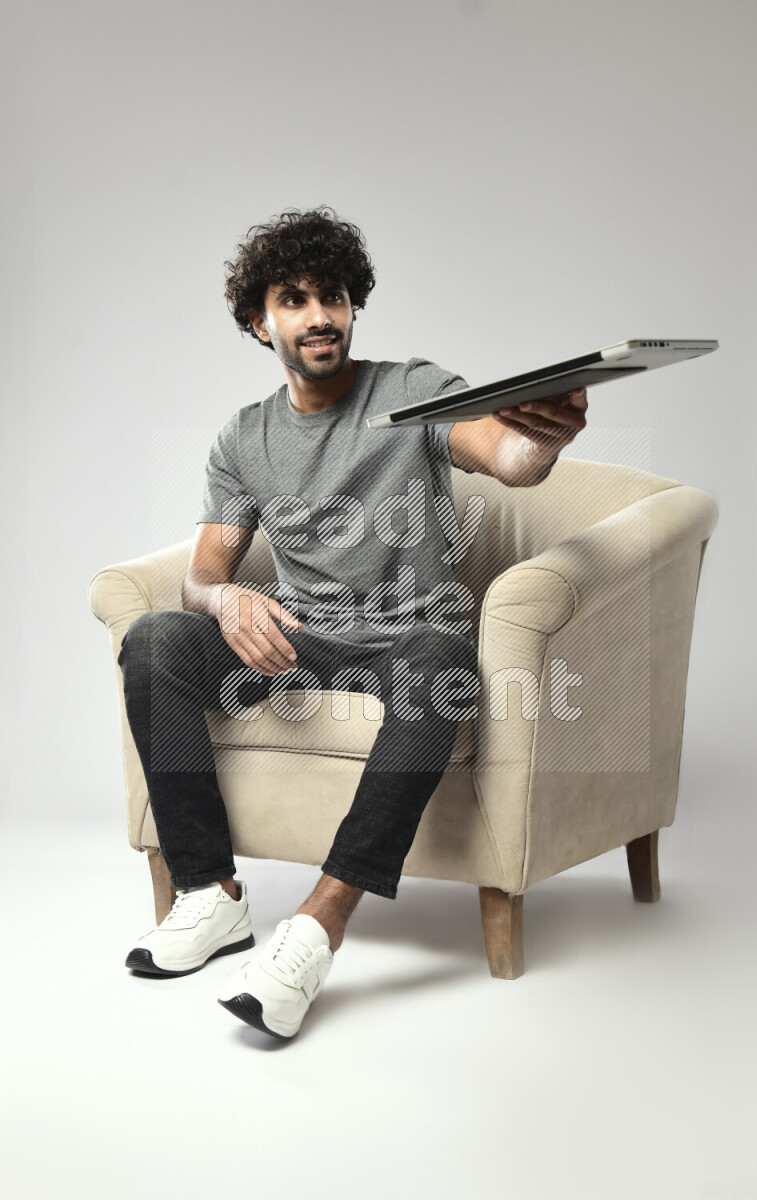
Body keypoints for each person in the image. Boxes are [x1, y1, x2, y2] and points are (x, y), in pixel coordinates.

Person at [116, 206, 588, 1041]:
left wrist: (543, 443)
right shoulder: (243, 440)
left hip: (407, 642)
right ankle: (209, 895)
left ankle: (318, 926)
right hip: (302, 645)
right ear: (259, 322)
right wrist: (225, 600)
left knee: (445, 655)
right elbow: (202, 577)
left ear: (353, 305)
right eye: (293, 299)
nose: (319, 314)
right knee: (154, 640)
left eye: (332, 295)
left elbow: (504, 458)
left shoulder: (411, 390)